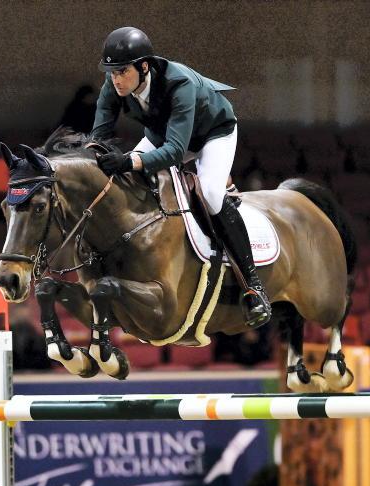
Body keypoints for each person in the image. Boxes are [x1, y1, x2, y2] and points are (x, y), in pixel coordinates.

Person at [89, 26, 270, 328]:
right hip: (164, 135)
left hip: (212, 134)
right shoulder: (113, 85)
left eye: (122, 71)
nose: (116, 79)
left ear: (143, 67)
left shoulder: (179, 82)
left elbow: (175, 152)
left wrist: (129, 160)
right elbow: (99, 137)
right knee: (128, 180)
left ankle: (253, 286)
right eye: (112, 72)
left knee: (210, 194)